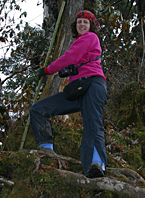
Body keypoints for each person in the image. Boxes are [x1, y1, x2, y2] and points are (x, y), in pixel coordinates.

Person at [30, 10, 107, 178]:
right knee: (38, 109)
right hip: (77, 88)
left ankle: (96, 164)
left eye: (85, 22)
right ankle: (46, 151)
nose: (82, 25)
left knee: (92, 123)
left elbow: (70, 57)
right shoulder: (81, 43)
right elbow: (74, 60)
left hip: (93, 83)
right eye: (79, 21)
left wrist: (48, 70)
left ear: (91, 26)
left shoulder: (91, 37)